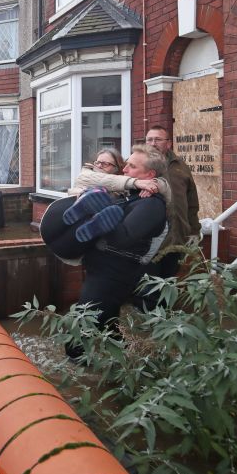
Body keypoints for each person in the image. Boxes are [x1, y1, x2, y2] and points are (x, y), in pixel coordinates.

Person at [54, 145, 168, 357]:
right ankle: (127, 363)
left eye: (132, 166)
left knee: (79, 331)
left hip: (112, 275)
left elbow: (124, 238)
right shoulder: (132, 194)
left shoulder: (151, 204)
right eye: (125, 165)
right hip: (102, 270)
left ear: (149, 175)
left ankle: (76, 378)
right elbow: (96, 180)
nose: (124, 170)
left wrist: (102, 219)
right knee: (108, 325)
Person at [142, 125, 201, 286]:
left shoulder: (180, 166)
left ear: (168, 144)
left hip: (176, 237)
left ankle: (166, 311)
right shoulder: (137, 164)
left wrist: (194, 231)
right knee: (147, 284)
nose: (153, 143)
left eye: (158, 139)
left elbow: (192, 202)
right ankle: (145, 310)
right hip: (149, 238)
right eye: (149, 139)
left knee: (168, 282)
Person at [68, 147, 167, 199]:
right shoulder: (85, 175)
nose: (98, 166)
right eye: (97, 162)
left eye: (105, 164)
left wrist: (156, 184)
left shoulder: (122, 182)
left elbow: (167, 189)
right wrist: (135, 182)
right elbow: (101, 180)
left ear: (117, 168)